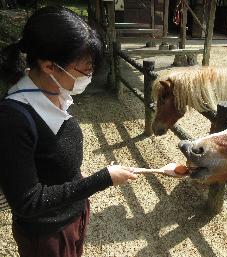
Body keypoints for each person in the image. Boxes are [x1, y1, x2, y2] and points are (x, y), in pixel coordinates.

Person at [0, 6, 137, 257]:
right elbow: (28, 201)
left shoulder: (56, 93)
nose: (89, 75)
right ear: (50, 66)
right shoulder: (13, 119)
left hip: (72, 214)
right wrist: (102, 179)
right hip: (47, 233)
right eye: (84, 69)